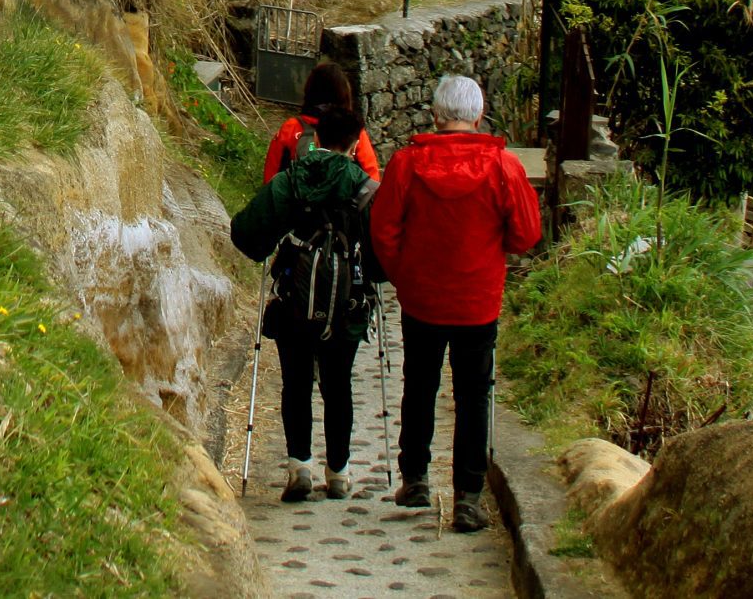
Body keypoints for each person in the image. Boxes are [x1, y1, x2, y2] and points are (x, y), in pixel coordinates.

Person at [369, 73, 541, 534]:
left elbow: (383, 230)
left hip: (422, 296)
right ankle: (468, 496)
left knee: (419, 386)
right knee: (473, 395)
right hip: (478, 300)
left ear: (437, 115)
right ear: (478, 115)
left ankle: (416, 478)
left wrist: (404, 274)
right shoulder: (504, 167)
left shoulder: (407, 165)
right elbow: (526, 233)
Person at [230, 106, 379, 503]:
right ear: (353, 143)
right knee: (338, 384)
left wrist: (271, 245)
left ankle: (300, 467)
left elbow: (245, 233)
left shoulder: (292, 179)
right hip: (345, 304)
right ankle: (340, 473)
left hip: (294, 298)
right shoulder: (363, 187)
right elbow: (381, 254)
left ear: (315, 138)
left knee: (295, 382)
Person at [261, 58, 381, 181]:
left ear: (309, 90)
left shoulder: (291, 129)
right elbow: (371, 179)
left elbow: (271, 179)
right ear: (344, 94)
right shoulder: (353, 132)